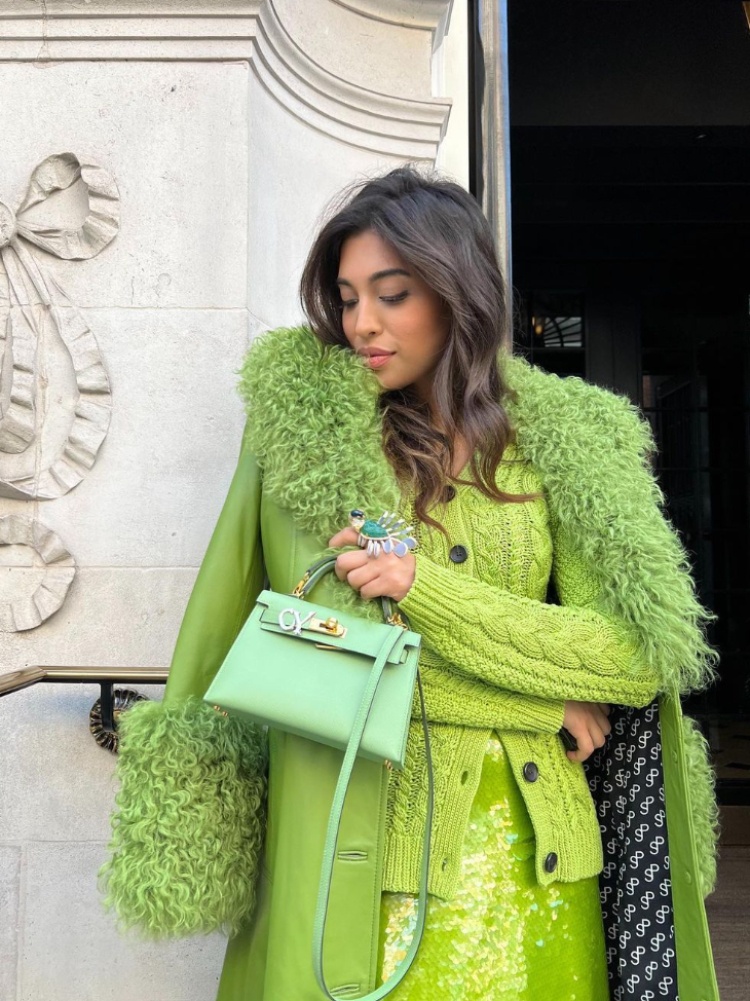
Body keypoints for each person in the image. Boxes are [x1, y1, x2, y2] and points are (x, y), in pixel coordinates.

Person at [102, 167, 720, 1001]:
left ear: (455, 291)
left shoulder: (567, 444)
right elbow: (311, 666)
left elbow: (631, 657)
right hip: (376, 868)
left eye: (391, 294)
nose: (362, 324)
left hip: (551, 871)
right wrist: (542, 704)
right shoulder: (312, 439)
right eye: (349, 296)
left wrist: (420, 587)